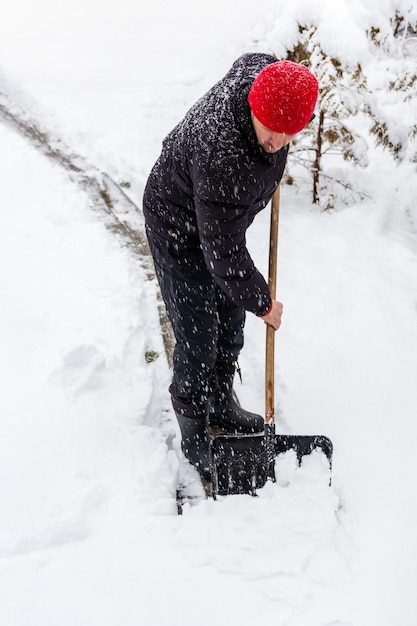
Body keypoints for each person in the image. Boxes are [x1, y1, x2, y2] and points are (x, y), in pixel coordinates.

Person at [143, 52, 319, 479]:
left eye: (288, 130)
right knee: (198, 332)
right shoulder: (221, 154)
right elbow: (223, 255)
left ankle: (220, 400)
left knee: (230, 319)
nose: (278, 141)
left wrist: (279, 121)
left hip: (215, 220)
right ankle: (193, 422)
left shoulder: (264, 82)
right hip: (176, 226)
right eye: (270, 128)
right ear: (253, 108)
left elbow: (259, 63)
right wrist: (263, 303)